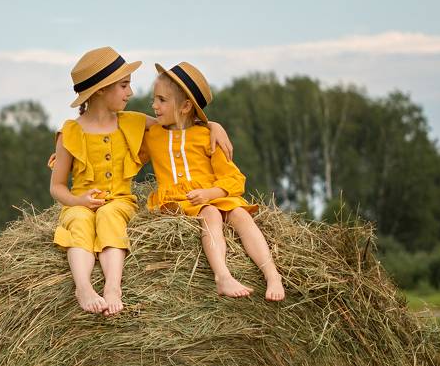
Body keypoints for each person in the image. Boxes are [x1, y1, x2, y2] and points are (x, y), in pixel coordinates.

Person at [50, 47, 234, 314]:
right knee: (79, 220)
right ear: (100, 90)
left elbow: (180, 123)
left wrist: (213, 126)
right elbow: (56, 187)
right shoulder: (69, 133)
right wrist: (78, 201)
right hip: (79, 202)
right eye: (124, 85)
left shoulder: (134, 122)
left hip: (120, 201)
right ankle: (84, 287)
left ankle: (113, 287)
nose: (131, 93)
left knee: (110, 216)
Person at [146, 60, 285, 301]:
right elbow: (120, 129)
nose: (154, 106)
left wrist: (211, 193)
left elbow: (234, 178)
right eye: (154, 99)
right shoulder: (152, 135)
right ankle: (223, 276)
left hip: (211, 195)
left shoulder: (207, 136)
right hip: (177, 200)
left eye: (162, 100)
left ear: (186, 106)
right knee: (210, 213)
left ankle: (272, 274)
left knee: (241, 215)